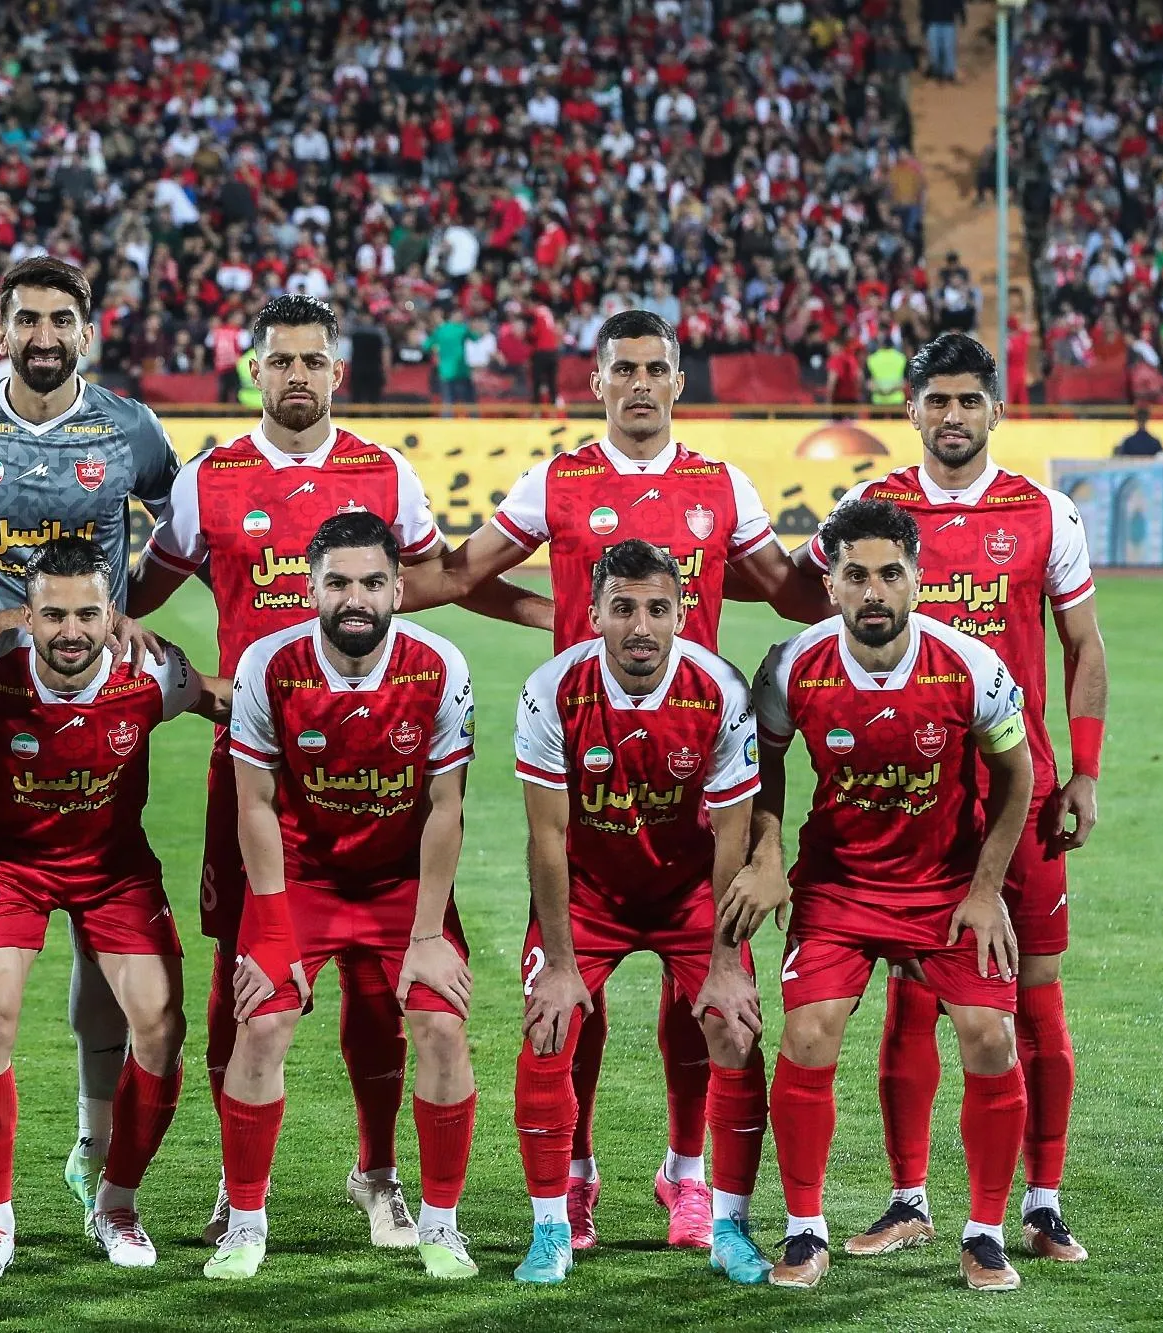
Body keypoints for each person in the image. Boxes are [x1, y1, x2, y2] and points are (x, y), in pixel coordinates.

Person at [127, 292, 549, 1245]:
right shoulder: (209, 480)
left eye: (313, 360)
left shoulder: (384, 472)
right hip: (256, 770)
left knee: (374, 982)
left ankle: (379, 1171)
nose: (297, 375)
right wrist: (125, 645)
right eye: (281, 360)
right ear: (255, 371)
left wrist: (546, 613)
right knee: (241, 979)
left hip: (374, 768)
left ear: (336, 371)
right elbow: (137, 597)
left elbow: (441, 577)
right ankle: (239, 1185)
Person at [412, 309, 826, 1250]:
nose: (640, 384)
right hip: (586, 759)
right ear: (596, 382)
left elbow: (787, 589)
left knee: (699, 1001)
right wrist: (554, 616)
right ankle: (579, 1175)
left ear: (678, 381)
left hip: (697, 768)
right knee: (575, 1001)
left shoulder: (721, 485)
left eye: (655, 369)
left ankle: (687, 1176)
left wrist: (890, 601)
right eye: (623, 369)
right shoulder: (557, 480)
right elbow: (464, 575)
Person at [794, 333, 1106, 1263]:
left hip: (1020, 789)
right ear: (913, 409)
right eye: (938, 400)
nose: (954, 416)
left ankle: (1042, 1203)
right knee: (911, 993)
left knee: (1033, 995)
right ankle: (908, 1199)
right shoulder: (871, 507)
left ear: (995, 409)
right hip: (910, 796)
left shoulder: (1043, 511)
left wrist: (1085, 768)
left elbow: (1084, 644)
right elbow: (801, 594)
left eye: (970, 399)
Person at [0, 254, 180, 1243]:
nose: (45, 336)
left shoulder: (128, 428)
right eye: (28, 319)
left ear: (86, 331)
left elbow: (181, 526)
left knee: (101, 936)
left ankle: (92, 1146)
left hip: (92, 711)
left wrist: (124, 614)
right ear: (2, 330)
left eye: (62, 319)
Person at [747, 498, 1035, 1293]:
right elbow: (762, 764)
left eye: (889, 574)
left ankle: (985, 1234)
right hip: (838, 886)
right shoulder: (791, 665)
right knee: (808, 1032)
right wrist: (768, 852)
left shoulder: (969, 665)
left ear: (917, 578)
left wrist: (985, 890)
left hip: (945, 885)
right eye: (855, 575)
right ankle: (805, 1230)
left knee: (990, 1037)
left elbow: (1018, 776)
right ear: (830, 584)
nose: (873, 591)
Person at [0, 537, 226, 1280]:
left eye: (88, 614)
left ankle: (116, 1203)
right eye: (54, 615)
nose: (71, 631)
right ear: (27, 617)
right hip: (8, 867)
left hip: (112, 869)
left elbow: (224, 701)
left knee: (161, 1027)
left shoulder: (152, 672)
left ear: (112, 615)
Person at [206, 512, 480, 1282]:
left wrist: (427, 934)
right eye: (338, 583)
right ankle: (245, 1224)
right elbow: (254, 803)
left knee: (442, 1027)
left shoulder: (440, 664)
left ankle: (442, 1223)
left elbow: (446, 806)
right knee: (262, 1024)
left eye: (371, 583)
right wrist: (271, 930)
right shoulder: (268, 664)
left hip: (400, 882)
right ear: (311, 588)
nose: (354, 598)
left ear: (398, 589)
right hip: (301, 878)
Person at [510, 539, 772, 1287]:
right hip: (589, 894)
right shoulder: (551, 690)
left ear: (682, 614)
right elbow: (547, 837)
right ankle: (556, 1218)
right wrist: (561, 966)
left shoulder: (719, 688)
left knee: (733, 1028)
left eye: (658, 608)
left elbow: (732, 834)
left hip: (691, 892)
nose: (641, 627)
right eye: (622, 608)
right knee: (550, 1029)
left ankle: (715, 1209)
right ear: (593, 614)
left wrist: (725, 963)